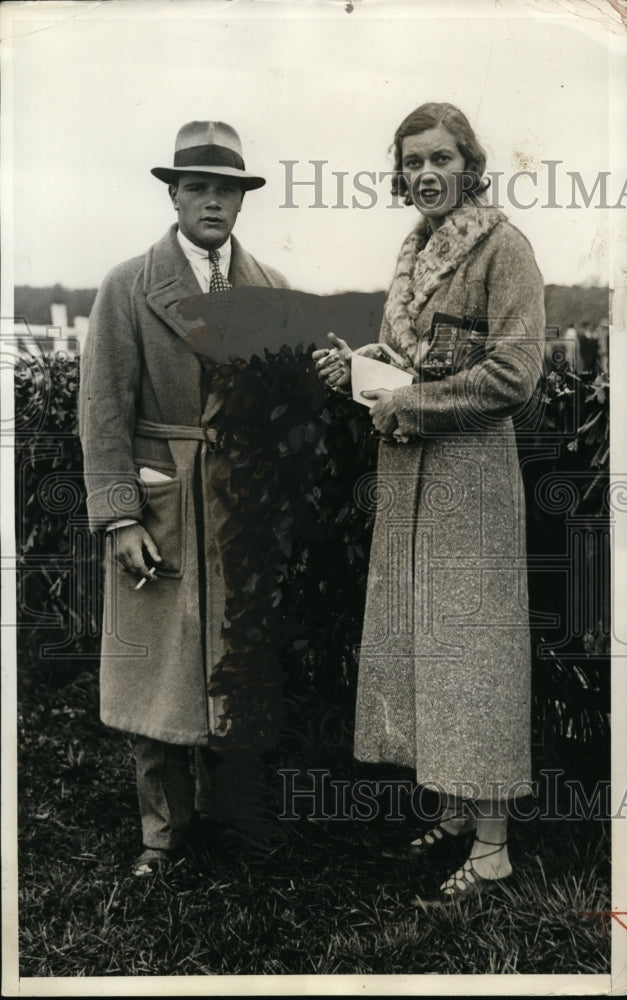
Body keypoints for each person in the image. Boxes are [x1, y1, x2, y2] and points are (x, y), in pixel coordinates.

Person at [314, 102, 545, 900]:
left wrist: (408, 400)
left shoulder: (504, 248)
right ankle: (452, 813)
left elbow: (513, 379)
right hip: (412, 478)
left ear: (469, 165)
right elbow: (424, 359)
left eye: (441, 158)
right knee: (427, 649)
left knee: (473, 653)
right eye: (413, 160)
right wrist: (366, 366)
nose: (426, 174)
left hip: (472, 481)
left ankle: (493, 846)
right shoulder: (413, 250)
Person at [79, 121, 289, 876]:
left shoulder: (266, 289)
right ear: (172, 194)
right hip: (162, 499)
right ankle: (160, 835)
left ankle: (235, 817)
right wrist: (120, 514)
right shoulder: (126, 285)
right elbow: (103, 410)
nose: (212, 201)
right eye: (197, 186)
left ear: (241, 200)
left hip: (241, 507)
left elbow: (279, 409)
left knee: (238, 658)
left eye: (225, 188)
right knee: (159, 665)